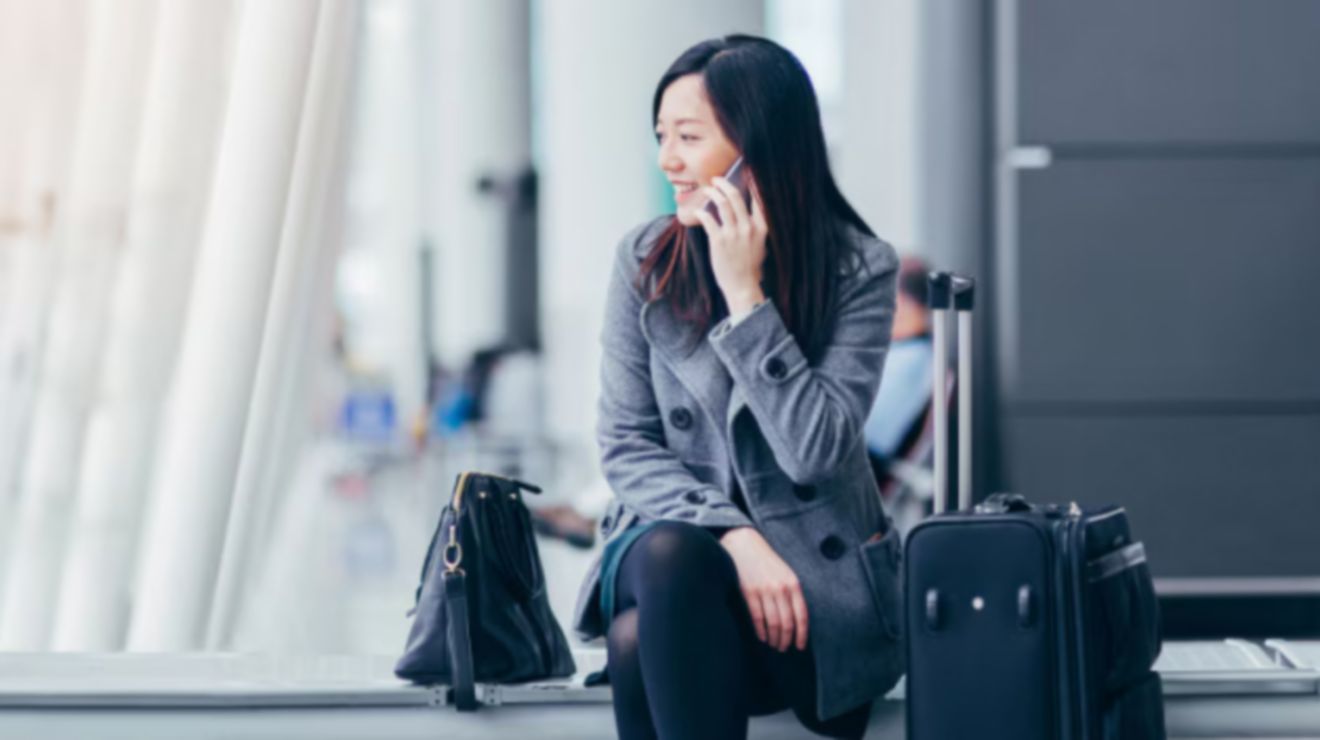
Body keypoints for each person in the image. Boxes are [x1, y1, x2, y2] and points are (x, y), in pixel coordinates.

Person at [571, 35, 903, 740]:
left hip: (810, 592)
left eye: (688, 137)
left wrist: (747, 298)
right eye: (662, 136)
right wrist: (736, 537)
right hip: (673, 557)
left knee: (634, 646)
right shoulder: (645, 259)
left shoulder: (859, 272)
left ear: (759, 146)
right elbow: (626, 444)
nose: (667, 160)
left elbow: (818, 453)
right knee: (673, 555)